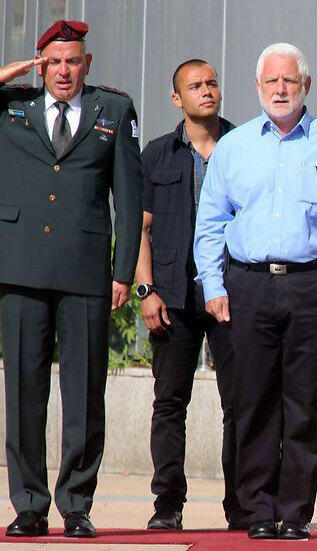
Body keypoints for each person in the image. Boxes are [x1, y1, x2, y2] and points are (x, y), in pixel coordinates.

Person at [194, 42, 317, 540]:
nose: (279, 89)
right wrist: (213, 283)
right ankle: (257, 511)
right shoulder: (235, 146)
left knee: (307, 403)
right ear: (257, 87)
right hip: (246, 285)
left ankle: (294, 512)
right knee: (252, 400)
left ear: (305, 86)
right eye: (270, 81)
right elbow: (210, 222)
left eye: (288, 81)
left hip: (313, 284)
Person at [0, 20, 142, 539]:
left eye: (73, 61)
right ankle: (30, 505)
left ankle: (76, 504)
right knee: (23, 392)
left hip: (85, 271)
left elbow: (128, 198)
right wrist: (8, 74)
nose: (64, 71)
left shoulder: (114, 110)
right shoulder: (11, 107)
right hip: (19, 268)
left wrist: (122, 271)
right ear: (41, 65)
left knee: (84, 393)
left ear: (88, 64)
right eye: (54, 62)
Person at [137, 59, 242, 531]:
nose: (207, 91)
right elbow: (141, 228)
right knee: (169, 401)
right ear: (177, 99)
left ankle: (242, 501)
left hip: (232, 294)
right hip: (173, 297)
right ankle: (167, 504)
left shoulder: (246, 146)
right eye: (195, 86)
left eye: (212, 83)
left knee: (242, 402)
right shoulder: (156, 156)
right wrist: (146, 291)